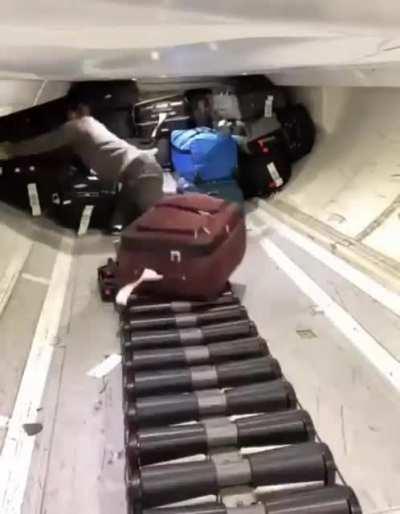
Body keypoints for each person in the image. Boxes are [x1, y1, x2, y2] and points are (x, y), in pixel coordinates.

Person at [0, 100, 164, 231]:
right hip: (137, 170)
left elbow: (44, 143)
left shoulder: (78, 126)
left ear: (73, 112)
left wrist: (10, 150)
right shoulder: (91, 124)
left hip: (140, 171)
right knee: (144, 218)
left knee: (157, 219)